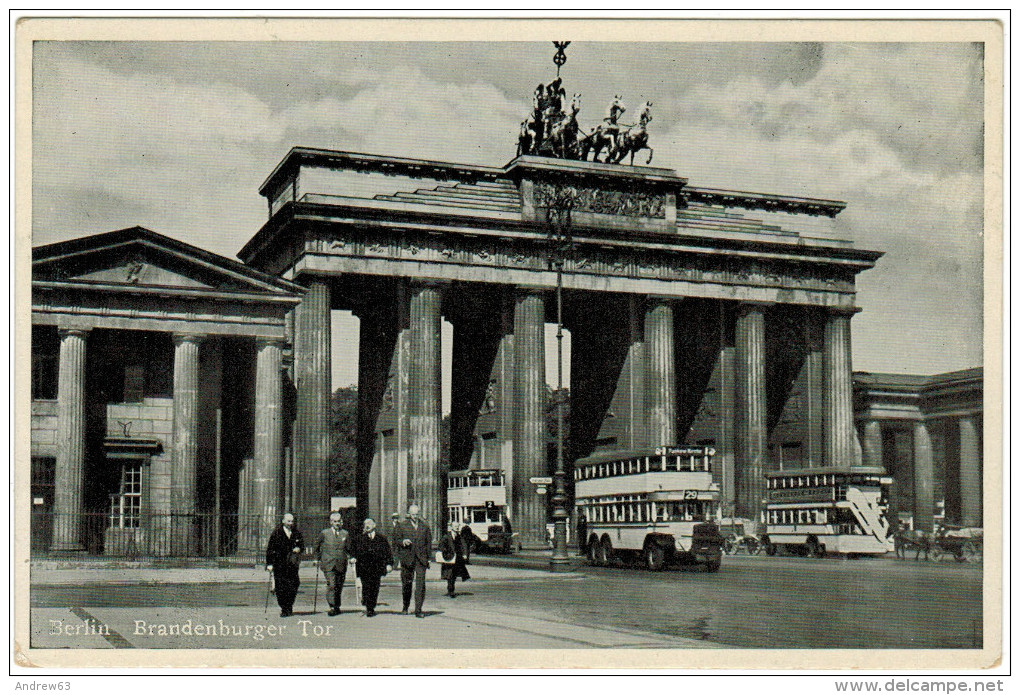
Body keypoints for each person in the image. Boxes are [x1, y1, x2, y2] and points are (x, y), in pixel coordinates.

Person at [392, 503, 432, 618]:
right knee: (406, 584)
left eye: (417, 514)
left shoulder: (424, 526)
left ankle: (418, 610)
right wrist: (403, 541)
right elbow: (396, 540)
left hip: (421, 560)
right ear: (409, 514)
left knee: (420, 585)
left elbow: (428, 543)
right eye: (413, 514)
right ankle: (405, 606)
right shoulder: (402, 525)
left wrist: (428, 558)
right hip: (407, 559)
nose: (415, 516)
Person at [350, 517, 393, 617]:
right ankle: (369, 607)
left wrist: (389, 564)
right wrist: (352, 558)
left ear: (374, 525)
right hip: (364, 567)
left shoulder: (382, 539)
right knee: (366, 586)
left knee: (375, 587)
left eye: (369, 523)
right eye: (365, 524)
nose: (367, 525)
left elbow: (388, 553)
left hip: (377, 567)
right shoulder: (359, 538)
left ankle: (371, 606)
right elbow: (353, 551)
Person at [265, 512, 304, 617]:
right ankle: (284, 608)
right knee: (281, 586)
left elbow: (302, 545)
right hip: (279, 563)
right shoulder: (276, 533)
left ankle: (289, 605)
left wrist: (299, 548)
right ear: (283, 521)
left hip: (292, 564)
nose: (290, 523)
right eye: (288, 521)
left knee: (294, 583)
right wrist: (269, 564)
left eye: (292, 521)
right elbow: (270, 549)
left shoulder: (296, 532)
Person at [313, 511, 350, 616]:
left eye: (339, 521)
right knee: (332, 585)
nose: (337, 523)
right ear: (331, 522)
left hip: (341, 563)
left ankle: (337, 606)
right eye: (335, 521)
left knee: (339, 585)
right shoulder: (324, 533)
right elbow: (316, 545)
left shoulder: (345, 534)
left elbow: (349, 548)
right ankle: (332, 606)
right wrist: (316, 558)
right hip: (328, 563)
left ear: (341, 522)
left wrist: (352, 557)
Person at [439, 524, 470, 597]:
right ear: (451, 527)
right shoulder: (446, 536)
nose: (457, 527)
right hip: (449, 558)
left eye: (457, 526)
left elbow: (464, 545)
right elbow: (441, 546)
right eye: (455, 526)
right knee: (450, 574)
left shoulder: (459, 536)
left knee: (454, 575)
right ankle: (450, 590)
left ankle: (451, 589)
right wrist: (445, 551)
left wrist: (465, 554)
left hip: (457, 559)